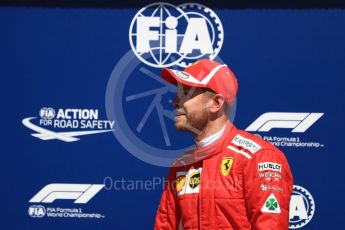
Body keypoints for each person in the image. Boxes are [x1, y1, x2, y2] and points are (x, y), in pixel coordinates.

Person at [154, 59, 293, 230]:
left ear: (216, 103)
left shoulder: (258, 157)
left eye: (186, 93)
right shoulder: (181, 165)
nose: (175, 101)